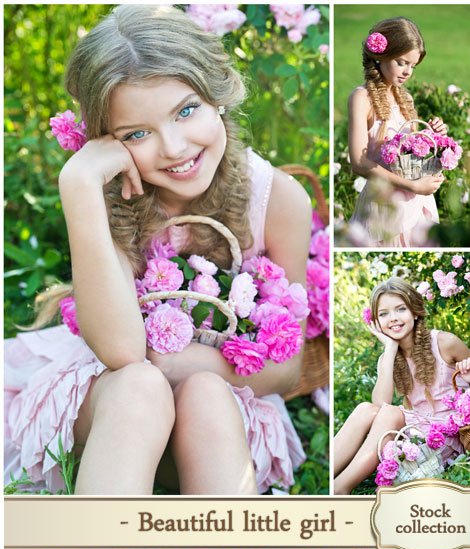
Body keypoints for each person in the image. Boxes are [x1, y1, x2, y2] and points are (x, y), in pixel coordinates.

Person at [5, 4, 311, 496]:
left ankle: (223, 538)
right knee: (140, 386)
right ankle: (96, 539)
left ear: (218, 93)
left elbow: (288, 367)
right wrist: (79, 184)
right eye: (137, 134)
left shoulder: (278, 200)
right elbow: (123, 353)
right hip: (115, 403)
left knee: (205, 394)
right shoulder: (109, 194)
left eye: (186, 110)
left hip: (220, 405)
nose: (173, 147)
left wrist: (185, 364)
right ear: (104, 141)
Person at [334, 276, 470, 492]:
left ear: (414, 312)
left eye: (400, 309)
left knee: (390, 413)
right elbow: (380, 403)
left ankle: (341, 486)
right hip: (414, 429)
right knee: (366, 409)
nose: (393, 318)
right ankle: (332, 478)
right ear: (376, 322)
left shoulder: (444, 342)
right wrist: (390, 348)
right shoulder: (388, 357)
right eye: (384, 314)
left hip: (445, 433)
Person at [347, 17, 447, 248]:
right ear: (381, 56)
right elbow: (359, 163)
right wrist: (412, 186)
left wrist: (433, 135)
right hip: (385, 207)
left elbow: (411, 154)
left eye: (413, 66)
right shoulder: (362, 98)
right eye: (402, 63)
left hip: (416, 204)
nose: (408, 72)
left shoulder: (406, 99)